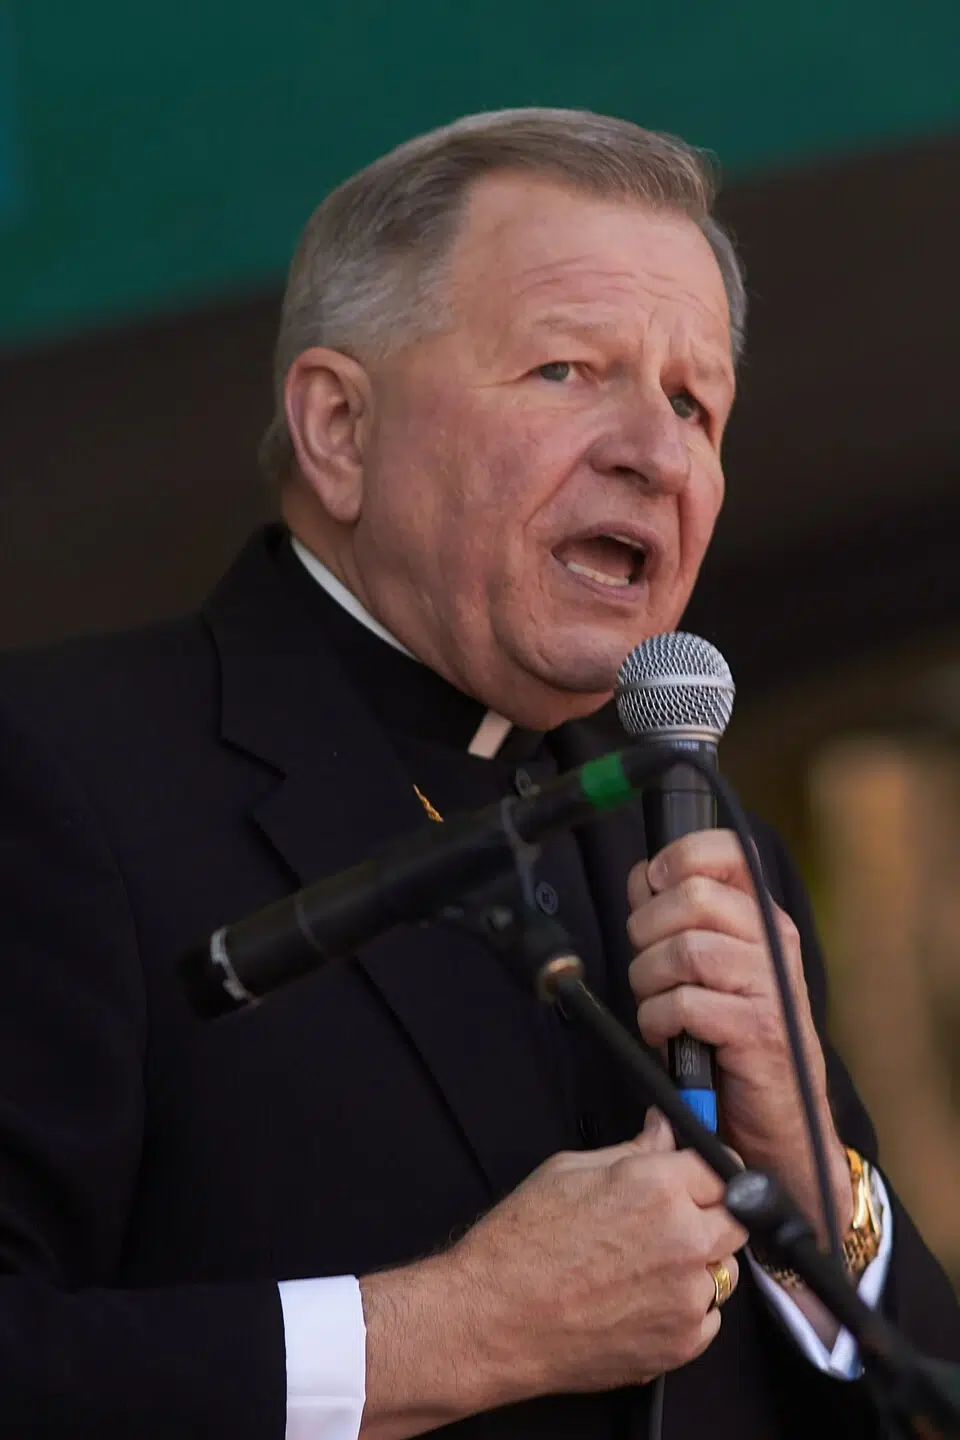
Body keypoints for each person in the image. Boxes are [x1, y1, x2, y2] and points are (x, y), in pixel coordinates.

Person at [0, 108, 956, 1440]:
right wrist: (441, 1333)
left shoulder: (694, 827)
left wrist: (815, 1173)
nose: (658, 450)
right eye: (569, 369)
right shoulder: (56, 773)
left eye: (695, 402)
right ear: (337, 425)